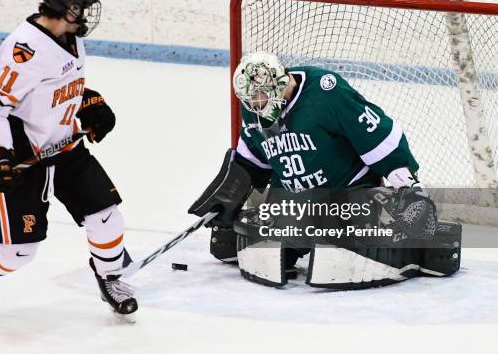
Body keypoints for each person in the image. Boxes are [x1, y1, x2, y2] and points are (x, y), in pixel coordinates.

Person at [189, 52, 460, 288]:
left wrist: (408, 186)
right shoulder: (254, 109)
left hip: (348, 192)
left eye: (261, 97)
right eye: (251, 100)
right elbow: (252, 161)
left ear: (280, 83)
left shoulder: (327, 92)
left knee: (339, 255)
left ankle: (413, 251)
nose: (257, 106)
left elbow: (377, 137)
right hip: (293, 202)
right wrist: (229, 194)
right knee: (265, 254)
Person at [0, 0, 137, 319]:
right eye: (81, 6)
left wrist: (89, 101)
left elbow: (59, 85)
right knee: (19, 252)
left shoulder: (72, 38)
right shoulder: (23, 51)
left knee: (107, 219)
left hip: (67, 145)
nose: (86, 14)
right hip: (26, 155)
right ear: (64, 5)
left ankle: (110, 277)